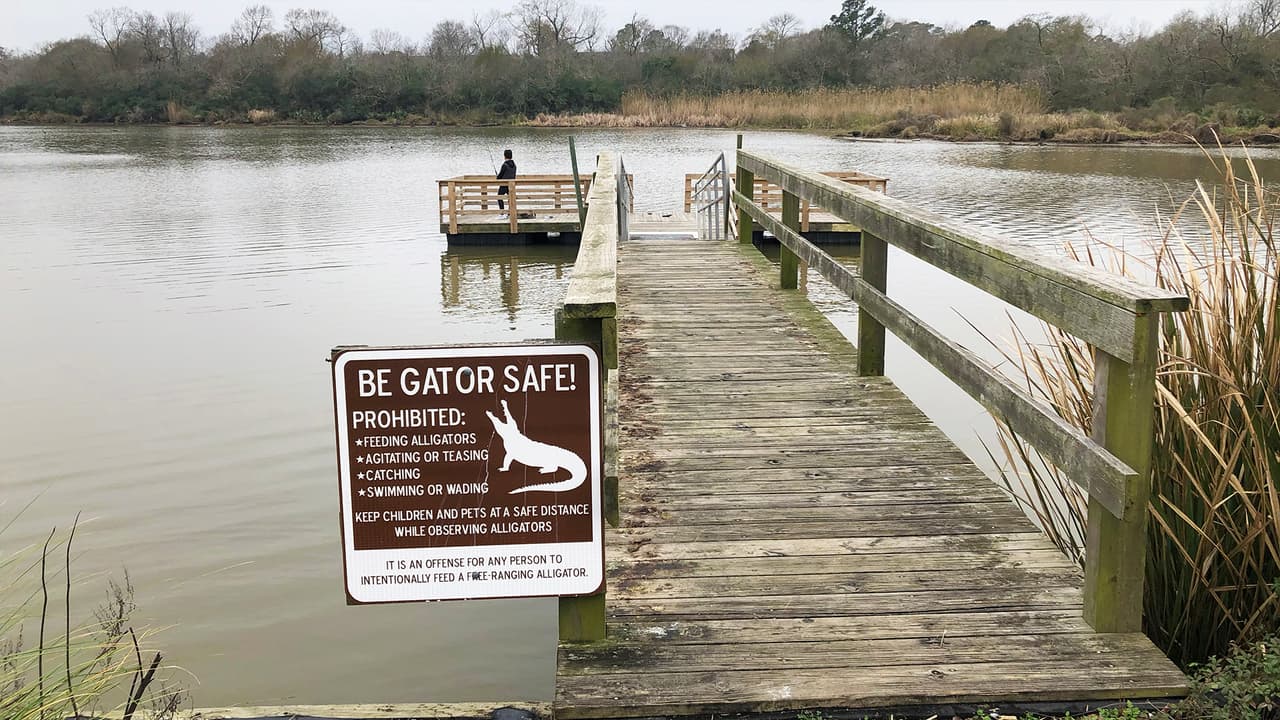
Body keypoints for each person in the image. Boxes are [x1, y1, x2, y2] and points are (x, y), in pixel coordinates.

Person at [496, 149, 516, 213]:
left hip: (504, 185)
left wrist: (497, 177)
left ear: (504, 156)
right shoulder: (514, 165)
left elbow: (499, 176)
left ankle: (502, 213)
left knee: (499, 197)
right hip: (511, 185)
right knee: (510, 199)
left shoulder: (504, 165)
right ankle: (511, 212)